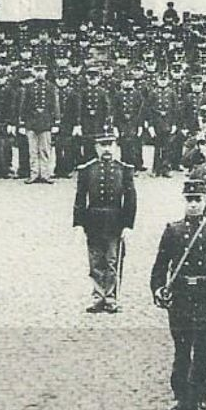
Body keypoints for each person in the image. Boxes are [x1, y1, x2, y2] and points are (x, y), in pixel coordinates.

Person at [150, 178, 206, 410]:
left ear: (205, 201)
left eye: (198, 200)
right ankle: (181, 396)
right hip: (181, 296)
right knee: (181, 348)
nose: (193, 204)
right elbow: (160, 266)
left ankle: (200, 395)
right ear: (184, 201)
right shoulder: (173, 230)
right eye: (189, 200)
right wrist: (157, 290)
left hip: (204, 295)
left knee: (202, 348)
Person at [72, 127, 137, 312]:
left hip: (115, 222)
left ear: (116, 146)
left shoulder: (124, 170)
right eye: (102, 145)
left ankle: (111, 297)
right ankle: (97, 296)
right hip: (93, 221)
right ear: (96, 147)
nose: (106, 149)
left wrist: (127, 225)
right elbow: (80, 198)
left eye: (110, 145)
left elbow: (130, 200)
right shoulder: (87, 170)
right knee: (95, 261)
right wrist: (78, 224)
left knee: (112, 260)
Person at [18, 61, 61, 184]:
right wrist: (22, 123)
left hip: (46, 123)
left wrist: (56, 123)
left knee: (45, 150)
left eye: (42, 71)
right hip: (31, 123)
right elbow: (23, 106)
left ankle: (45, 174)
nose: (40, 73)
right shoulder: (28, 87)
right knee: (33, 150)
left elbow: (55, 106)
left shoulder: (51, 87)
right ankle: (34, 174)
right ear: (33, 72)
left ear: (46, 72)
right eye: (37, 71)